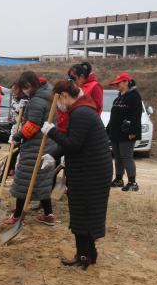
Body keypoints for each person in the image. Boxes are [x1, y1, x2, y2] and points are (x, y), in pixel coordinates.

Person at [41, 80, 112, 269]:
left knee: (83, 214)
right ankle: (88, 254)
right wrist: (53, 154)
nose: (58, 106)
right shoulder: (83, 109)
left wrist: (52, 132)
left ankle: (83, 257)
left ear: (64, 96)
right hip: (91, 170)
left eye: (58, 101)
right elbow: (73, 142)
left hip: (90, 172)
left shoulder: (81, 113)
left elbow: (73, 144)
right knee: (84, 214)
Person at [5, 71, 57, 226]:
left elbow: (32, 126)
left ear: (30, 86)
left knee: (24, 179)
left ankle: (17, 215)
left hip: (36, 145)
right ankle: (48, 214)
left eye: (24, 88)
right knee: (41, 180)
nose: (23, 91)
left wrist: (18, 136)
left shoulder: (37, 101)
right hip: (47, 143)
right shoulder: (47, 95)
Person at [106, 73, 143, 192]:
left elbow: (136, 116)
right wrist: (108, 129)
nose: (116, 85)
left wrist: (133, 131)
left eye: (119, 83)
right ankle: (118, 179)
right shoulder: (119, 97)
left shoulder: (134, 96)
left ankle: (132, 182)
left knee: (126, 157)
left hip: (127, 133)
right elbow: (114, 116)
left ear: (126, 82)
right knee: (117, 157)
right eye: (115, 84)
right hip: (115, 132)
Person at [58, 61, 104, 134]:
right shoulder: (75, 86)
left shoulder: (95, 86)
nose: (72, 81)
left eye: (73, 78)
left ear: (82, 76)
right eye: (69, 78)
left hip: (85, 127)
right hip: (71, 126)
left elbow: (97, 109)